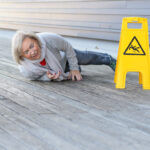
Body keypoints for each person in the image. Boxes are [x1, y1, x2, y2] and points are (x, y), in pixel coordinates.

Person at [11, 31, 116, 81]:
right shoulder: (26, 69)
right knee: (72, 76)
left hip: (64, 56)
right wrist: (46, 77)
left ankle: (108, 59)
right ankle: (74, 68)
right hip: (61, 69)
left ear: (35, 40)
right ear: (21, 56)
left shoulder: (48, 39)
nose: (32, 52)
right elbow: (35, 78)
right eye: (26, 51)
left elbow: (67, 47)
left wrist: (74, 69)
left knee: (85, 58)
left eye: (32, 46)